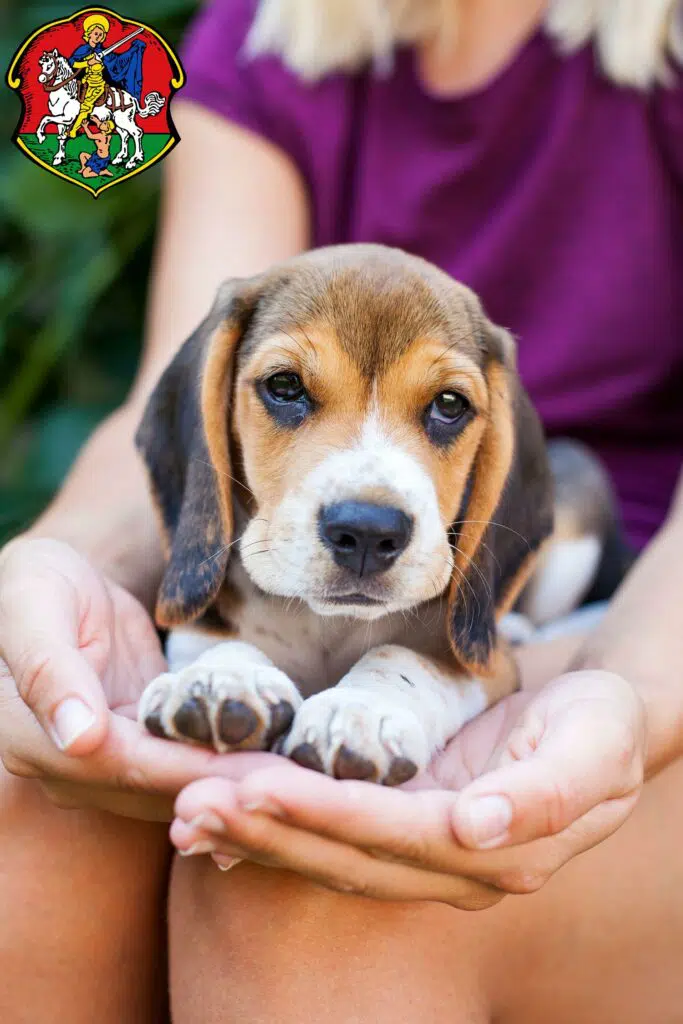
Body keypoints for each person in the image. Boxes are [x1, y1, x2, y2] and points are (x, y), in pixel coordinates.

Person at [1, 0, 682, 1021]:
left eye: (446, 405)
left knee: (297, 891)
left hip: (625, 623)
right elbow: (181, 399)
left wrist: (612, 692)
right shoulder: (263, 32)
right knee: (26, 806)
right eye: (289, 388)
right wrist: (55, 573)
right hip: (286, 596)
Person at [68, 13, 145, 137]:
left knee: (86, 106)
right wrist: (88, 62)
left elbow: (115, 63)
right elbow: (72, 63)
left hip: (96, 84)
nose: (97, 36)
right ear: (88, 34)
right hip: (82, 82)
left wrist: (132, 52)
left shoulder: (103, 52)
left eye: (100, 34)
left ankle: (73, 130)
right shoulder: (82, 50)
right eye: (95, 33)